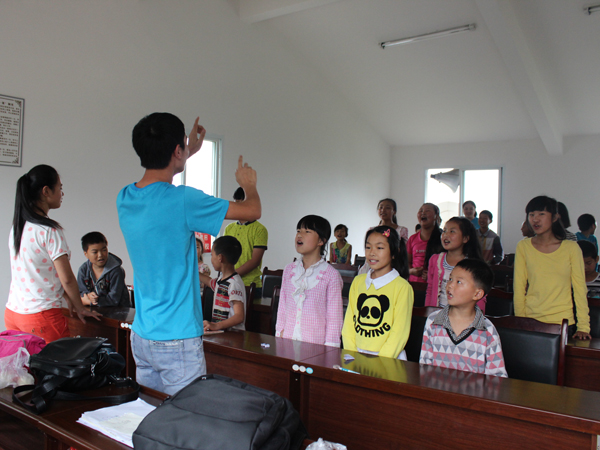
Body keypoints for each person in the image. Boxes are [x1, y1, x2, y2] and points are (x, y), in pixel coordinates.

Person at [117, 113, 261, 395]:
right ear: (176, 151)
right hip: (177, 339)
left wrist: (186, 152)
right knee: (186, 415)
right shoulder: (183, 199)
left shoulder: (125, 197)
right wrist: (249, 185)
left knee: (152, 413)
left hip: (142, 335)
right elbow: (252, 210)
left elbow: (159, 183)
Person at [5, 165, 101, 343]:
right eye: (59, 188)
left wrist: (66, 296)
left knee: (25, 362)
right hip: (41, 317)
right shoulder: (49, 230)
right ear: (46, 191)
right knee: (57, 361)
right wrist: (80, 307)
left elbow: (37, 272)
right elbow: (67, 278)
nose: (62, 193)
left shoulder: (18, 228)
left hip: (13, 313)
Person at [514, 196, 590, 340]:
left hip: (563, 322)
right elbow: (519, 288)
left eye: (541, 214)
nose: (535, 219)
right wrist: (521, 321)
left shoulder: (571, 248)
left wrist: (583, 327)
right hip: (531, 321)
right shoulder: (523, 247)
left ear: (555, 217)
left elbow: (580, 289)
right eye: (531, 214)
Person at [419, 259, 507, 377]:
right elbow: (424, 367)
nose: (450, 285)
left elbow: (497, 377)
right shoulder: (433, 321)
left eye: (459, 282)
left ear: (477, 294)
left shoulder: (488, 331)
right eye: (450, 279)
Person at [341, 226, 414, 360]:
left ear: (394, 253)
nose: (372, 253)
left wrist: (381, 362)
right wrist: (351, 354)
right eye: (368, 247)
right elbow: (349, 324)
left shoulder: (402, 287)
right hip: (355, 357)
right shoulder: (358, 282)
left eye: (379, 248)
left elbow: (399, 333)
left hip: (388, 360)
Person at [275, 215, 344, 347]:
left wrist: (330, 349)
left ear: (321, 241)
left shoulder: (331, 275)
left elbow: (334, 318)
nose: (299, 235)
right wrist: (279, 334)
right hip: (287, 342)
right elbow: (282, 306)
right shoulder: (289, 270)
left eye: (307, 231)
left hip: (315, 347)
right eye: (298, 231)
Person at [425, 217, 486, 312]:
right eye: (444, 231)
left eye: (452, 231)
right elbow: (430, 289)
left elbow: (480, 297)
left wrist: (476, 317)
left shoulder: (474, 264)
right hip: (437, 315)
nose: (446, 235)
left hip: (463, 316)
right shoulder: (435, 260)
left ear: (465, 238)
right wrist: (428, 312)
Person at [224, 187, 268, 299]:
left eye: (241, 203)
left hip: (250, 285)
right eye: (236, 203)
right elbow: (223, 254)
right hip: (229, 283)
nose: (237, 207)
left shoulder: (260, 229)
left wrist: (231, 275)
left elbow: (255, 261)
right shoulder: (229, 228)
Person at [199, 236, 246, 332]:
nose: (211, 259)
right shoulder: (221, 280)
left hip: (233, 335)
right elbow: (209, 282)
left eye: (212, 255)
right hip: (222, 333)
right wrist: (194, 272)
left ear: (220, 257)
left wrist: (216, 325)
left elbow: (239, 316)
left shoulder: (234, 283)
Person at [77, 231, 130, 307]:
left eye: (104, 250)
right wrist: (88, 296)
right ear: (86, 254)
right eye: (95, 252)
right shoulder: (83, 270)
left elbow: (114, 300)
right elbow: (81, 292)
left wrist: (93, 301)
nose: (100, 255)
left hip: (118, 311)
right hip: (94, 310)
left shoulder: (116, 271)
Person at [407, 203, 440, 282]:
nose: (423, 213)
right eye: (421, 211)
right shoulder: (412, 239)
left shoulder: (442, 239)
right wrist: (411, 271)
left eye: (427, 211)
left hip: (435, 285)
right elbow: (407, 262)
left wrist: (433, 275)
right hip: (414, 284)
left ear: (436, 216)